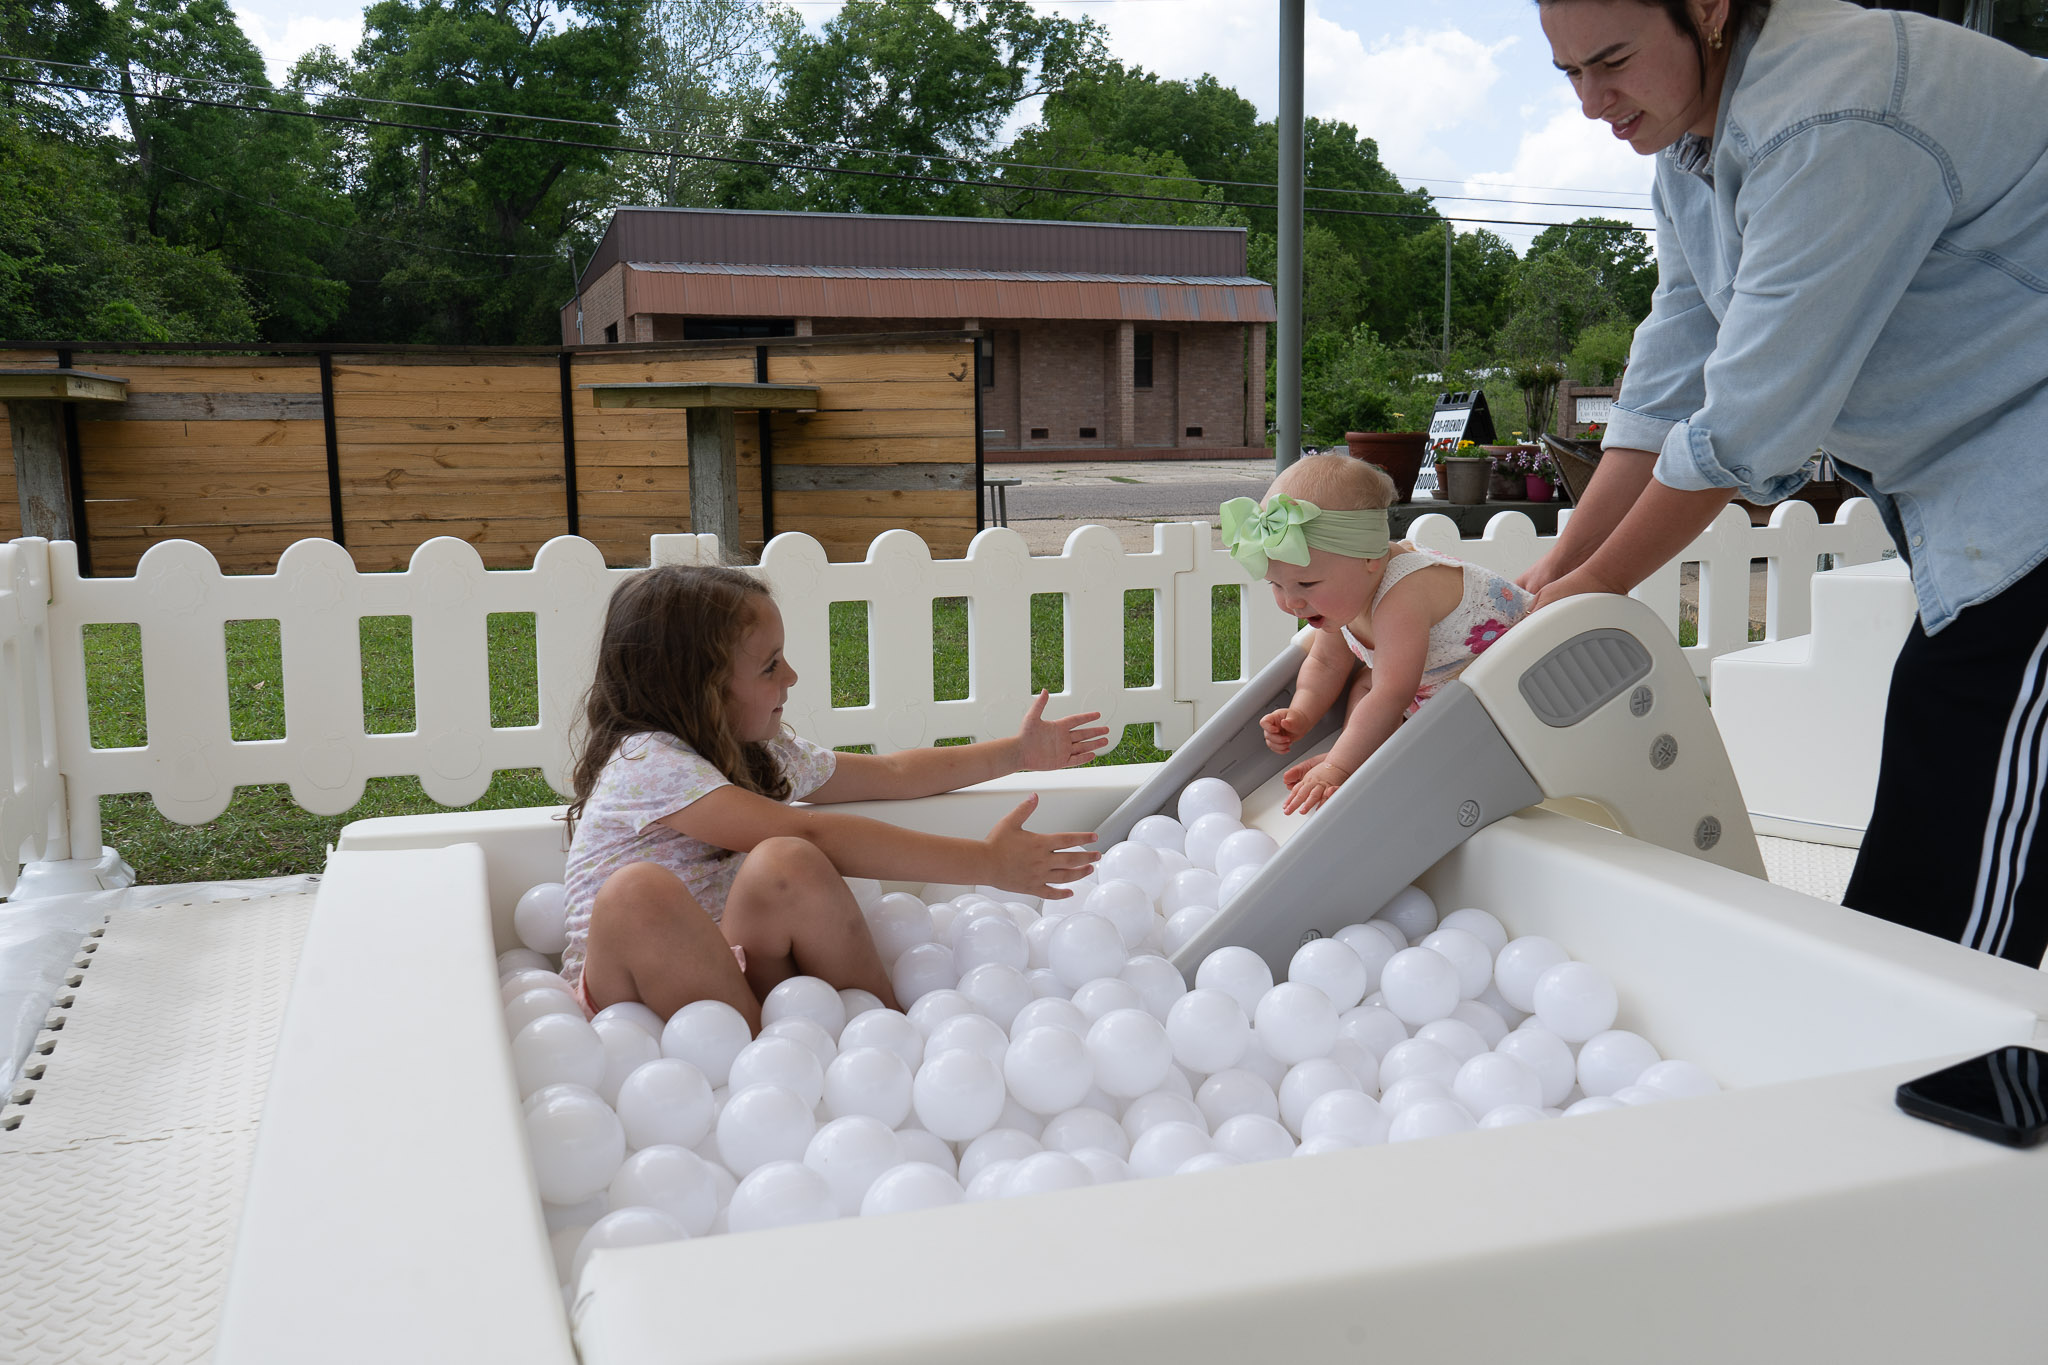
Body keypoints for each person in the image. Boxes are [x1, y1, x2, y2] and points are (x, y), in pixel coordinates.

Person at [1526, 0, 2048, 963]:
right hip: (1994, 480)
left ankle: (1905, 1068)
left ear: (1710, 11)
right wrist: (1551, 578)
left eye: (1613, 61)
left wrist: (1585, 597)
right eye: (1568, 73)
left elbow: (1748, 424)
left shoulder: (1830, 117)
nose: (1593, 103)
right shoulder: (1688, 142)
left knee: (1956, 824)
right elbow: (1674, 364)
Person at [559, 564, 1108, 1029]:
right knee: (639, 892)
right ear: (699, 688)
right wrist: (986, 863)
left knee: (785, 863)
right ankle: (760, 1061)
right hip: (632, 1000)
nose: (792, 676)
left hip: (738, 970)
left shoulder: (759, 752)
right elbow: (809, 830)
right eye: (771, 665)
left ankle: (884, 1032)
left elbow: (893, 774)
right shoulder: (647, 763)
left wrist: (1016, 754)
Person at [1222, 455, 1536, 816]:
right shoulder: (1346, 594)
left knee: (1380, 691)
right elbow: (1325, 662)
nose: (1292, 601)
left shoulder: (1403, 595)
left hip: (1504, 690)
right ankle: (1362, 752)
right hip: (1442, 685)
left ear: (1369, 557)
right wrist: (1301, 714)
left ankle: (1354, 759)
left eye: (1306, 583)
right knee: (1365, 684)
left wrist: (1337, 767)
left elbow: (1393, 695)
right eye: (1276, 584)